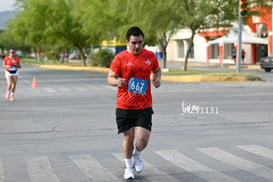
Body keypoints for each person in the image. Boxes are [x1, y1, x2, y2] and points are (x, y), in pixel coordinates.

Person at [107, 26, 161, 180]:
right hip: (124, 106)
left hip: (144, 105)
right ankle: (128, 167)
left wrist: (157, 79)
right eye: (133, 43)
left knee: (143, 139)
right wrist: (117, 81)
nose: (137, 46)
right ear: (127, 42)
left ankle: (137, 154)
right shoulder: (120, 58)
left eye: (140, 42)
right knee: (128, 137)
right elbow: (110, 77)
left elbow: (157, 70)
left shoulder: (150, 56)